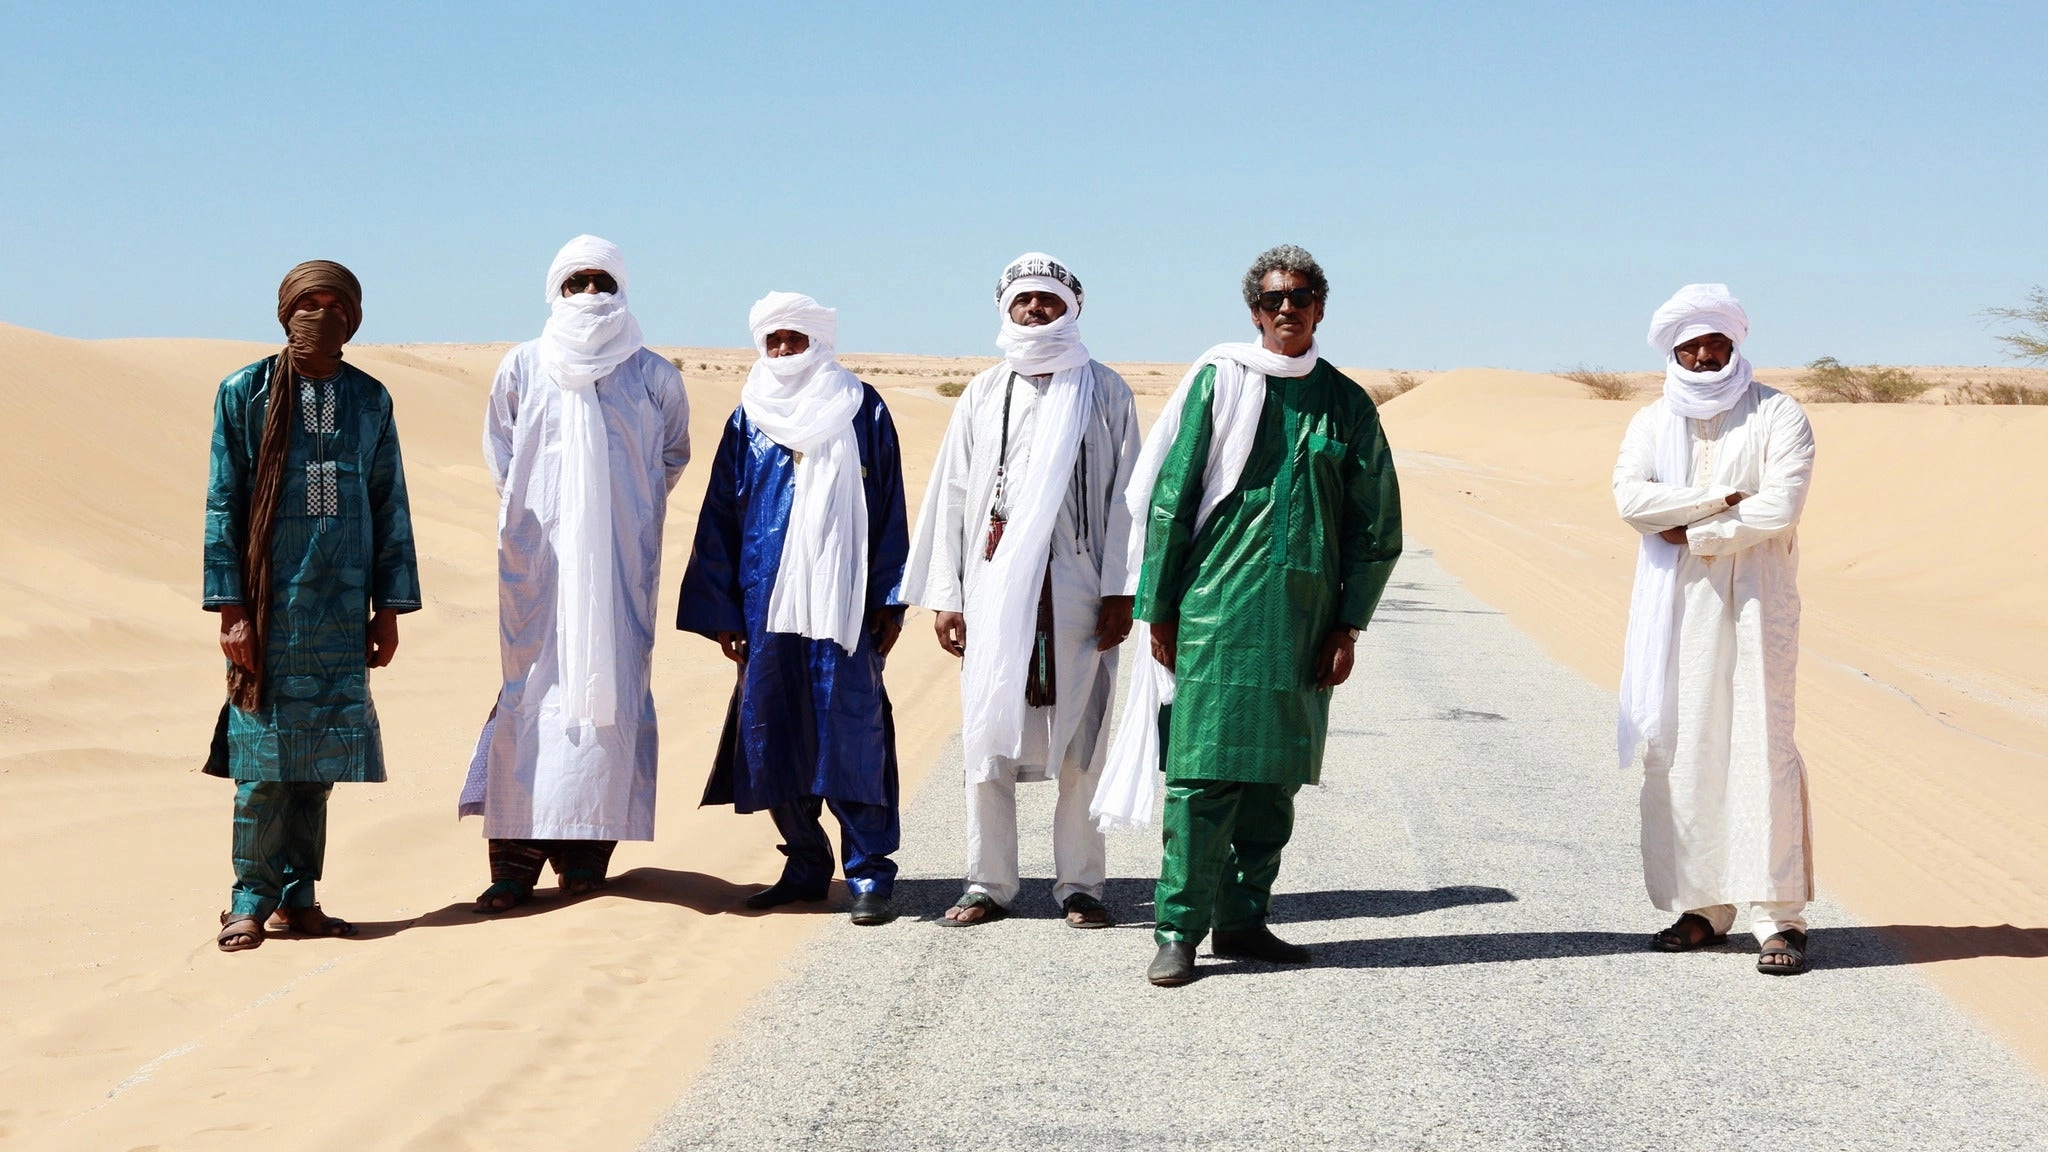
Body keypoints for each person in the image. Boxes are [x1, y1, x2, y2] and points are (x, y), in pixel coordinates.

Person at [1108, 244, 1402, 986]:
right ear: (1254, 312)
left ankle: (1242, 919)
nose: (1287, 308)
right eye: (1274, 299)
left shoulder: (1347, 404)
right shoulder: (1223, 382)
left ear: (1319, 309)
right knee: (1203, 777)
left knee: (1275, 783)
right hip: (1215, 611)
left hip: (1303, 622)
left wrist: (1348, 625)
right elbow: (1171, 499)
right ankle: (1178, 931)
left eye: (1300, 297)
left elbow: (1375, 527)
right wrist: (1158, 610)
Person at [902, 253, 1141, 929]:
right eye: (1024, 300)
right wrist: (947, 595)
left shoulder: (1106, 390)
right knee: (987, 738)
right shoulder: (984, 392)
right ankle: (988, 883)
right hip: (993, 587)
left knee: (1083, 742)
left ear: (1073, 307)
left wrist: (1121, 591)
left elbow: (1128, 497)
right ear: (1005, 308)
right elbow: (952, 493)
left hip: (1079, 590)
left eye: (1048, 299)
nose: (1036, 309)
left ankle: (1081, 886)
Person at [460, 236, 691, 913]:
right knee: (531, 688)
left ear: (621, 287)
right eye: (577, 281)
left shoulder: (653, 374)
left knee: (609, 689)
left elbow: (672, 455)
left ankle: (587, 853)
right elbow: (501, 452)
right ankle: (514, 860)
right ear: (555, 290)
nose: (590, 293)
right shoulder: (522, 364)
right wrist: (544, 513)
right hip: (538, 559)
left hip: (621, 559)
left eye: (602, 281)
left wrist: (625, 514)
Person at [202, 260, 421, 952]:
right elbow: (224, 502)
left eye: (335, 306)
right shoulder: (244, 392)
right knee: (263, 765)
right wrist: (231, 609)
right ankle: (249, 898)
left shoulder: (370, 399)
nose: (321, 317)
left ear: (353, 318)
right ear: (285, 312)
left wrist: (388, 609)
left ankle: (298, 898)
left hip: (341, 605)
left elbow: (389, 504)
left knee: (318, 768)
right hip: (271, 608)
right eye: (309, 304)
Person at [677, 292, 910, 926]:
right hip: (765, 603)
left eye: (794, 339)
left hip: (845, 603)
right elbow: (721, 515)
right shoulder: (747, 417)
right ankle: (806, 863)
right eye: (772, 340)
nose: (782, 350)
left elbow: (890, 506)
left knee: (852, 730)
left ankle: (868, 873)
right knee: (775, 730)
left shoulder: (862, 408)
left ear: (819, 341)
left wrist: (890, 599)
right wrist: (724, 612)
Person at [1615, 283, 1818, 976]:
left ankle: (1778, 917)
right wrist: (1723, 498)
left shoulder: (1778, 413)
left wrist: (1695, 529)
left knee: (1762, 741)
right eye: (1691, 346)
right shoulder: (1651, 421)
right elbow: (1631, 500)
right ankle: (1704, 907)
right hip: (1676, 603)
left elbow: (1780, 506)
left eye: (1716, 343)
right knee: (1685, 743)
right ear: (1673, 352)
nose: (1704, 356)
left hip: (1759, 596)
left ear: (1735, 344)